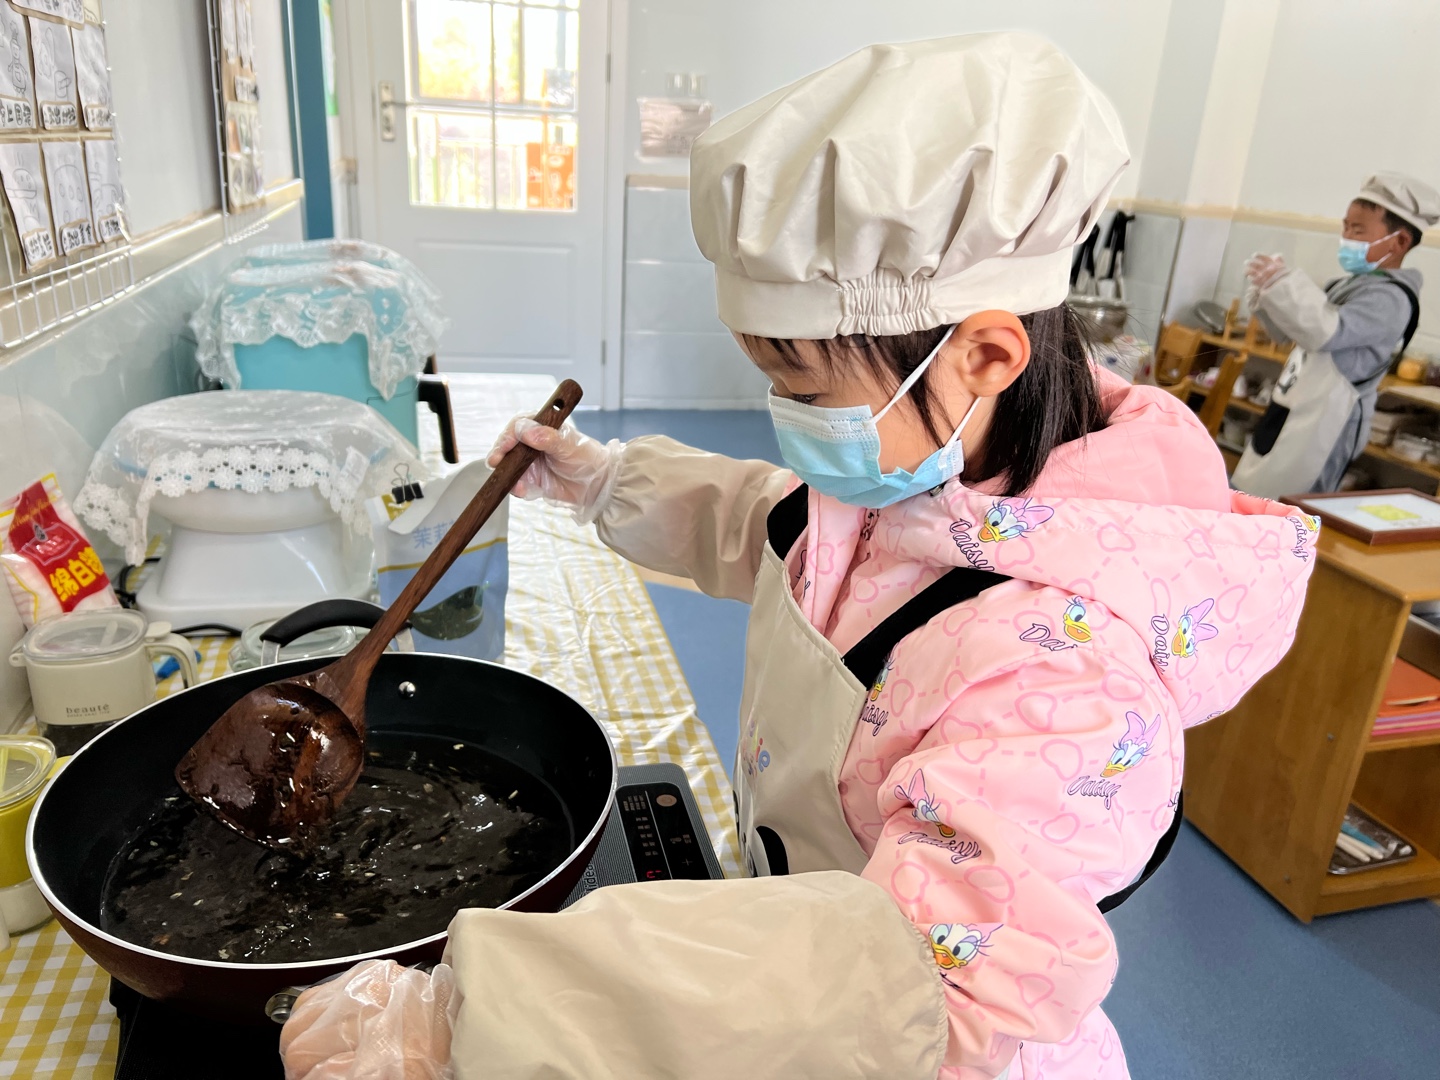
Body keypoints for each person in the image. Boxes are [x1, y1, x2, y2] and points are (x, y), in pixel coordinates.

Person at [280, 34, 1317, 1080]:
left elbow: (919, 981)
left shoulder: (1058, 669)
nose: (787, 420)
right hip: (802, 962)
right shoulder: (926, 480)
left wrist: (486, 1020)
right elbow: (772, 527)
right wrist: (605, 481)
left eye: (807, 390)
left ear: (985, 354)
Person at [1233, 173, 1437, 498]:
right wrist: (1266, 295)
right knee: (1254, 490)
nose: (1346, 237)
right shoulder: (1345, 285)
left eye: (1358, 230)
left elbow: (1325, 333)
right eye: (1346, 227)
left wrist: (1285, 286)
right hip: (1294, 407)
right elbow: (1286, 334)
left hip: (1328, 424)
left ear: (1399, 242)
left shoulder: (1391, 298)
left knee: (1296, 506)